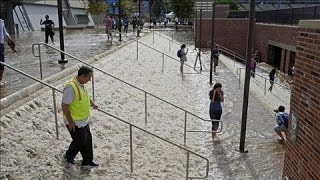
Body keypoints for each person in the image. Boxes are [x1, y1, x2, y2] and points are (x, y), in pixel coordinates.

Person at [62, 66, 99, 167]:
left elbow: (85, 96)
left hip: (84, 120)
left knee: (87, 140)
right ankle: (68, 157)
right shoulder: (70, 87)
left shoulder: (82, 84)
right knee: (80, 141)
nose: (90, 80)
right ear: (83, 76)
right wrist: (70, 122)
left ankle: (88, 161)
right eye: (89, 78)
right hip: (75, 121)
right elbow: (64, 105)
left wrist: (92, 104)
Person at [0, 18, 15, 86]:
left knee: (1, 63)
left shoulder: (1, 21)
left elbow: (4, 32)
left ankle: (0, 80)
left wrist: (9, 38)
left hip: (0, 45)